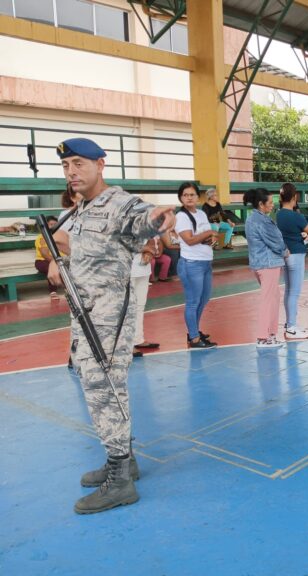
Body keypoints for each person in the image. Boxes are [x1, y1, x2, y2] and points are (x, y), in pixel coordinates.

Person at [47, 137, 175, 514]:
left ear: (101, 164)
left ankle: (119, 481)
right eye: (66, 166)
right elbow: (79, 250)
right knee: (99, 385)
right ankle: (124, 460)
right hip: (84, 311)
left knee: (104, 387)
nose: (71, 172)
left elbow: (145, 218)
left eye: (78, 164)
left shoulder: (118, 202)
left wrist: (157, 219)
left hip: (108, 314)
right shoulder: (81, 209)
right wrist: (60, 260)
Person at [175, 182, 217, 349]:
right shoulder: (181, 217)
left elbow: (206, 238)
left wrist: (210, 237)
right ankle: (193, 337)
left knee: (204, 299)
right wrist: (209, 233)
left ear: (197, 197)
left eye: (192, 194)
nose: (189, 197)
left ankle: (195, 331)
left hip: (205, 261)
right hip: (191, 263)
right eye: (185, 195)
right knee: (193, 301)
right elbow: (190, 240)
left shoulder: (201, 214)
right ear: (181, 198)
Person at [245, 188, 287, 348]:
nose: (272, 205)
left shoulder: (251, 218)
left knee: (272, 298)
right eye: (270, 203)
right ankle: (263, 336)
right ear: (261, 204)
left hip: (259, 263)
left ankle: (270, 334)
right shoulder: (262, 221)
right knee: (268, 300)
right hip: (268, 263)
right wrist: (284, 250)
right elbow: (276, 241)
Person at [276, 183, 308, 340]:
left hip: (285, 255)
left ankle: (289, 324)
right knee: (294, 292)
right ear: (295, 197)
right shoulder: (297, 216)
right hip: (297, 254)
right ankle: (292, 327)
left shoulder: (279, 215)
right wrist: (305, 239)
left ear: (280, 197)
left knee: (288, 291)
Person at [130, 239, 160, 358]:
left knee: (140, 306)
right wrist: (147, 249)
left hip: (143, 269)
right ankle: (126, 344)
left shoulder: (147, 221)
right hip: (126, 270)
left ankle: (138, 339)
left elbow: (153, 239)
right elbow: (123, 241)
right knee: (126, 309)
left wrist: (150, 251)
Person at [34, 215, 60, 298]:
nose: (53, 226)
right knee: (51, 267)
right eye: (51, 224)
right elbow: (45, 255)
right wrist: (57, 262)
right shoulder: (42, 237)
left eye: (55, 224)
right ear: (45, 226)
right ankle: (53, 291)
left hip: (57, 260)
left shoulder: (59, 236)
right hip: (42, 261)